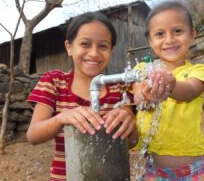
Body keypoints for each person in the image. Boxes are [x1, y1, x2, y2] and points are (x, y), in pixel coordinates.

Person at [26, 11, 138, 181]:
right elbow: (33, 135)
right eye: (85, 44)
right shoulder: (54, 82)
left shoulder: (121, 89)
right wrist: (61, 118)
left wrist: (129, 123)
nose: (94, 53)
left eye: (103, 46)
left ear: (111, 50)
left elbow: (133, 142)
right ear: (69, 47)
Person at [132, 0, 204, 180]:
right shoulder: (142, 70)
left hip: (194, 171)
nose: (169, 40)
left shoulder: (198, 70)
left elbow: (190, 91)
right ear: (150, 40)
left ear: (192, 35)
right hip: (153, 172)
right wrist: (142, 94)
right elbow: (136, 92)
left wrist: (171, 85)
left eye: (178, 31)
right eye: (160, 34)